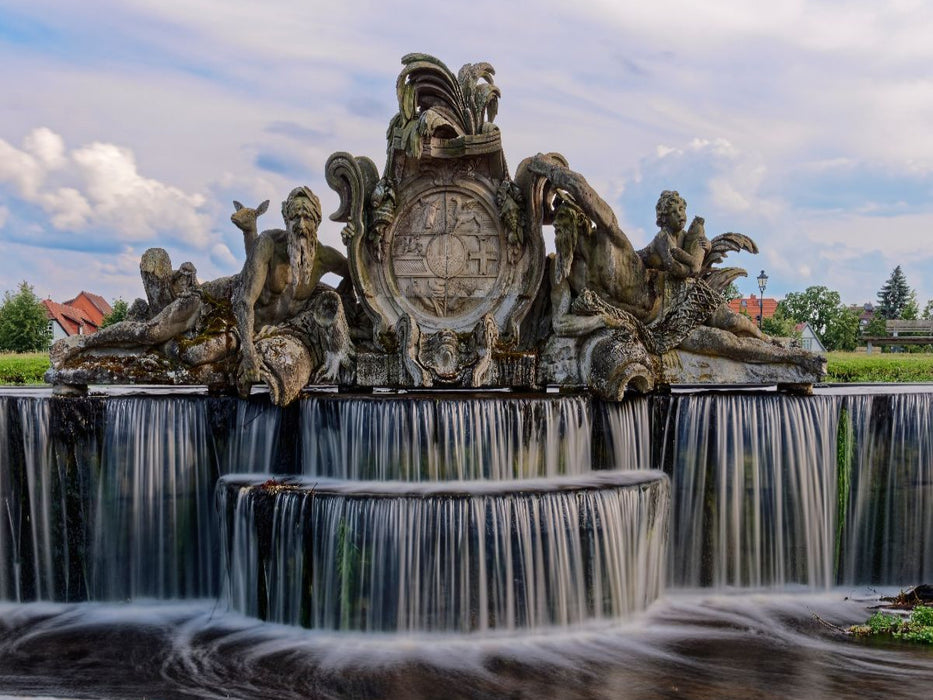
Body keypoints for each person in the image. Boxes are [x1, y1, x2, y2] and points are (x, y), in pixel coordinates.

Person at [234, 186, 352, 396]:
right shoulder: (268, 244)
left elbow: (358, 273)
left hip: (285, 333)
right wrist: (249, 352)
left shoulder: (323, 257)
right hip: (244, 326)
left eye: (308, 218)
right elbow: (244, 301)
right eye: (295, 218)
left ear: (317, 222)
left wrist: (354, 241)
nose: (301, 225)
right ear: (285, 219)